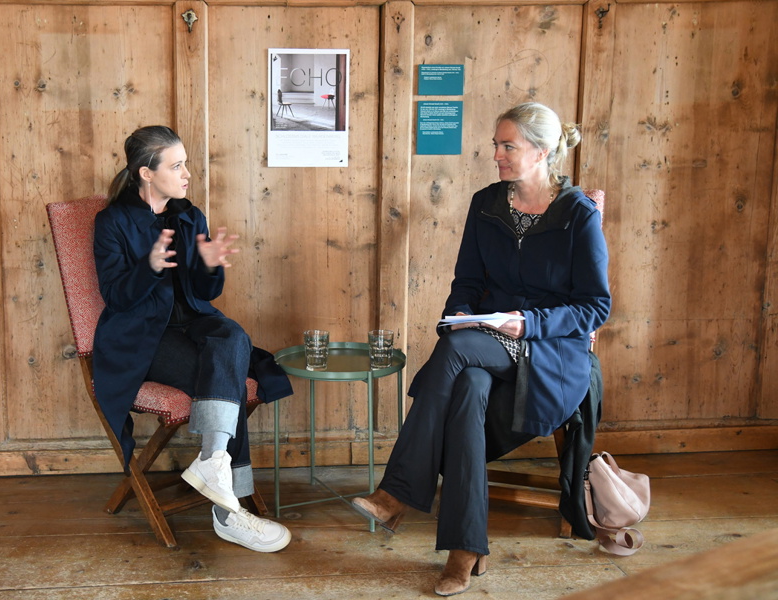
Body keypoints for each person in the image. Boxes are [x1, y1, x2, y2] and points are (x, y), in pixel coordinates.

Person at [352, 103, 610, 596]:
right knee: (468, 384)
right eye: (496, 145)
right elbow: (467, 283)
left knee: (457, 357)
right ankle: (466, 548)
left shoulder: (577, 213)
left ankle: (397, 492)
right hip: (484, 343)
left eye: (508, 146)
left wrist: (528, 323)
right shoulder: (486, 204)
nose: (496, 155)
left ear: (541, 151)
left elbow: (595, 307)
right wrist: (461, 317)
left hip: (551, 353)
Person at [92, 125, 293, 553]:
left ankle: (212, 461)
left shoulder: (189, 215)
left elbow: (205, 294)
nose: (187, 174)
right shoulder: (112, 222)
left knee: (232, 335)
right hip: (142, 339)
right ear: (147, 173)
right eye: (176, 166)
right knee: (229, 377)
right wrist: (147, 267)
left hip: (194, 325)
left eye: (186, 164)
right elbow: (116, 298)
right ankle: (229, 515)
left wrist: (209, 264)